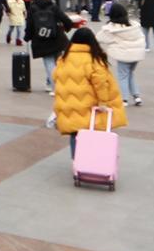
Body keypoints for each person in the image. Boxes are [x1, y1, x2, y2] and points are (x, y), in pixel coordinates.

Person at [49, 27, 126, 157]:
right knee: (94, 130)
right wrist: (103, 102)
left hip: (68, 103)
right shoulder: (94, 59)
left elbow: (55, 77)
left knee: (75, 132)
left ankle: (77, 162)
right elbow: (100, 83)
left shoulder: (63, 59)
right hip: (89, 103)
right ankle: (93, 161)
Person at [97, 4, 146, 106]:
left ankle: (124, 99)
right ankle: (137, 97)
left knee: (122, 76)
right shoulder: (133, 25)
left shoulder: (111, 28)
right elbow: (141, 37)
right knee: (130, 74)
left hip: (124, 55)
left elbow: (99, 38)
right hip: (136, 55)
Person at [26, 0, 70, 93]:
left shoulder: (33, 7)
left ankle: (54, 86)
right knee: (58, 62)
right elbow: (65, 19)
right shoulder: (53, 6)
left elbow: (30, 24)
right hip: (56, 38)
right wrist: (67, 27)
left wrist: (27, 37)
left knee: (49, 63)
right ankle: (58, 85)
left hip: (41, 40)